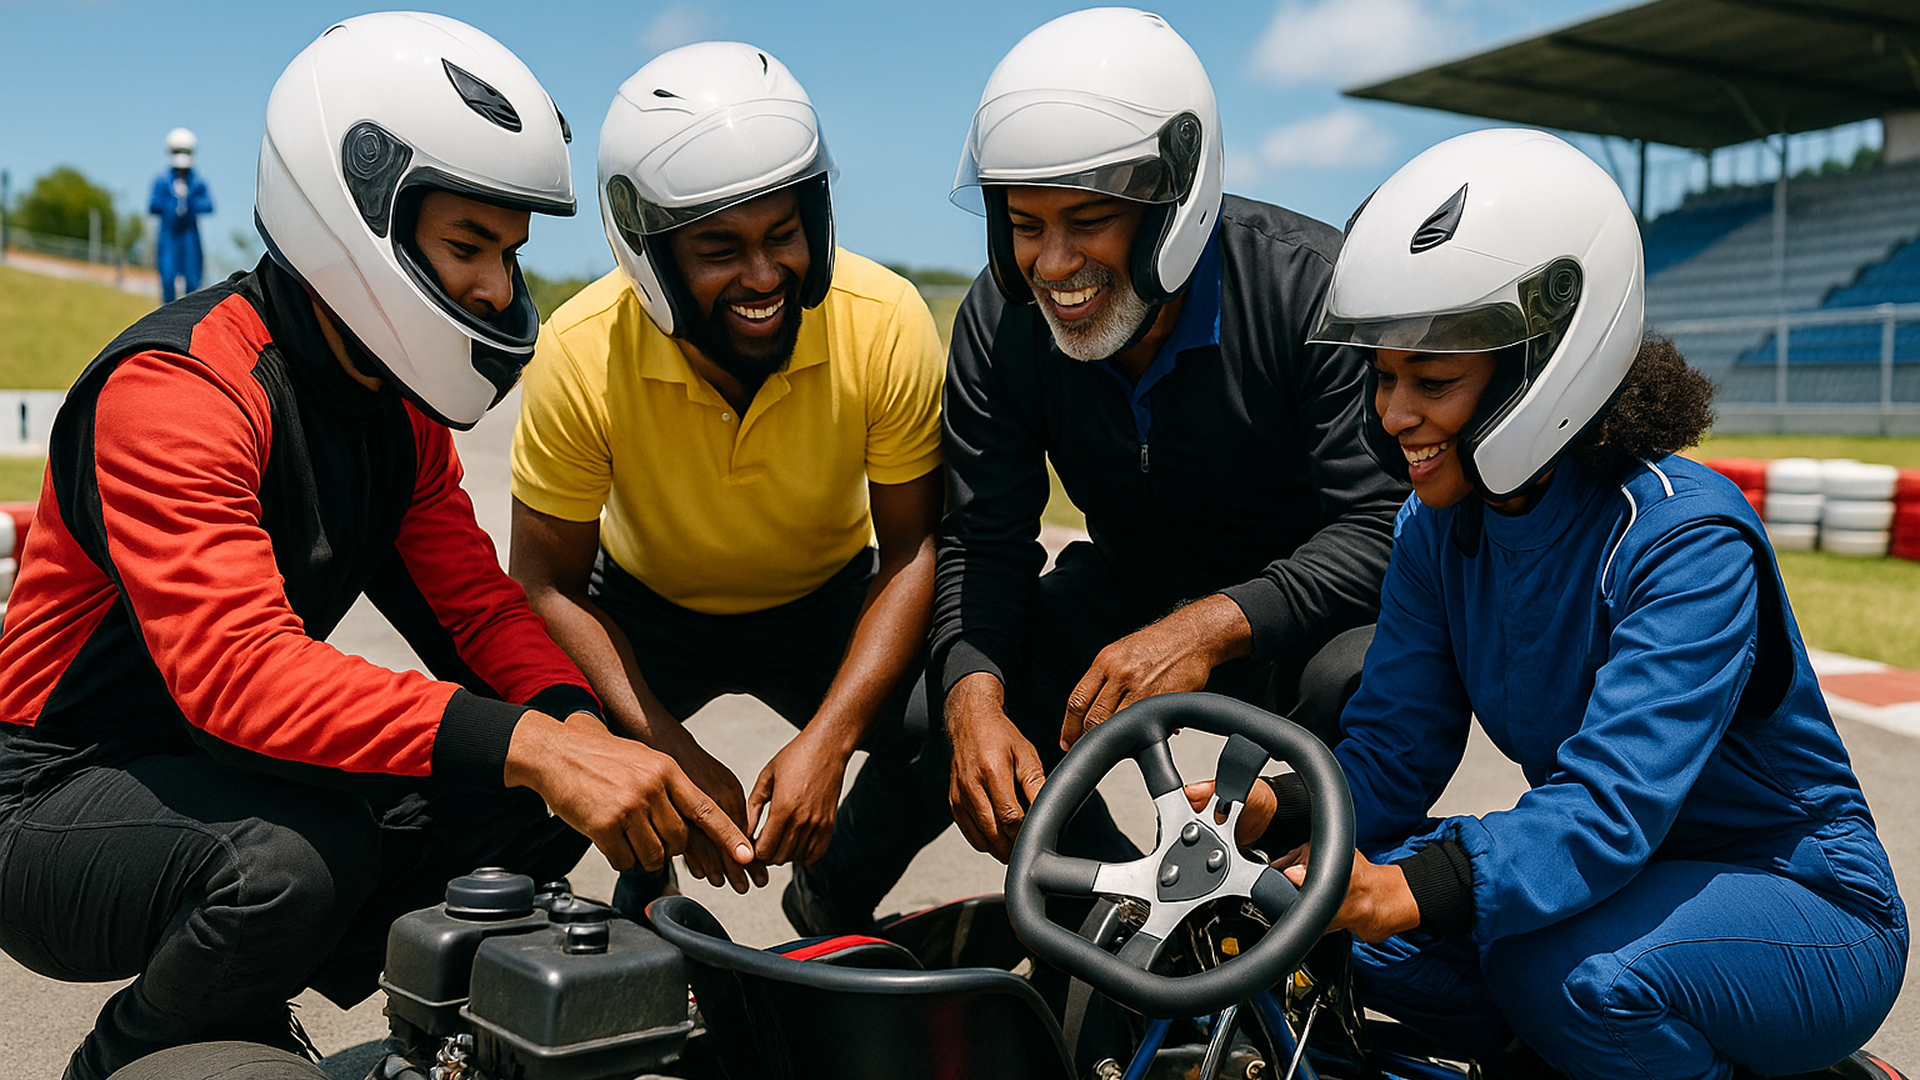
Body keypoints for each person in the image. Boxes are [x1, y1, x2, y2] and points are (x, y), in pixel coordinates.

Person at [0, 16, 751, 1080]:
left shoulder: (395, 412)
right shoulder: (178, 390)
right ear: (355, 218)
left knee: (528, 795)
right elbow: (238, 670)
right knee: (296, 863)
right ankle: (128, 1061)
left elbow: (479, 614)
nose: (498, 287)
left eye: (509, 253)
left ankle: (387, 1039)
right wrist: (542, 749)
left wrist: (591, 740)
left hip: (223, 772)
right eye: (468, 247)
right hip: (48, 801)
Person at [1205, 128, 1907, 1079]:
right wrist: (1278, 811)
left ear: (1545, 366)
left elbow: (1613, 805)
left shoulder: (1685, 536)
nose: (1392, 414)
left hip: (1797, 892)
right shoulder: (1434, 527)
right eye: (1382, 376)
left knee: (1559, 975)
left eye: (1433, 381)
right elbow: (1393, 753)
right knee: (1295, 924)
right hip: (1608, 884)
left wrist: (1410, 887)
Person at [936, 7, 1406, 864]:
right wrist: (973, 698)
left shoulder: (1315, 290)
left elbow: (1382, 526)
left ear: (1173, 204)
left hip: (1294, 617)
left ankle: (1310, 907)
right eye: (1025, 224)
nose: (1050, 263)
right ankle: (1092, 899)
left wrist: (1209, 626)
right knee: (955, 684)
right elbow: (982, 541)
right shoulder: (999, 321)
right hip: (1128, 588)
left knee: (1368, 673)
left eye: (1086, 220)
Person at [509, 41, 951, 935]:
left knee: (965, 726)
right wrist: (663, 755)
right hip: (642, 615)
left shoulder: (887, 320)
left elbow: (911, 551)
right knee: (524, 761)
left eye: (782, 235)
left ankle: (832, 892)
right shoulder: (579, 348)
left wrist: (828, 746)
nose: (761, 276)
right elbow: (546, 583)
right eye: (719, 248)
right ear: (647, 254)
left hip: (828, 604)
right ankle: (640, 903)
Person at [149, 127, 212, 303]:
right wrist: (172, 205)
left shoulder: (197, 181)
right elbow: (153, 204)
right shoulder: (161, 180)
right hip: (168, 233)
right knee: (168, 276)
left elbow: (208, 205)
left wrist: (190, 204)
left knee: (193, 277)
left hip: (189, 234)